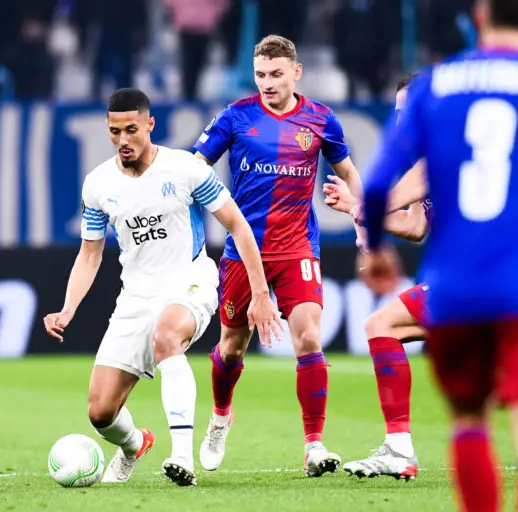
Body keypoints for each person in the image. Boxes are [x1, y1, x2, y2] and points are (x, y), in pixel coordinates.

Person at [362, 0, 518, 510]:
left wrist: (375, 247)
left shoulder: (437, 85)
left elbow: (376, 185)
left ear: (479, 19)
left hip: (456, 289)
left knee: (469, 422)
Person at [42, 88, 281, 487]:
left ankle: (181, 456)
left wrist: (259, 293)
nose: (123, 140)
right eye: (114, 131)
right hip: (136, 295)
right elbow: (90, 254)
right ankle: (135, 444)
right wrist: (68, 309)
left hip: (190, 280)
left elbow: (239, 227)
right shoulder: (98, 184)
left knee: (167, 335)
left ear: (150, 124)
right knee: (100, 412)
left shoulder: (185, 169)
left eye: (131, 130)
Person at [193, 34, 362, 476]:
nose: (267, 83)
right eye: (260, 75)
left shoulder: (321, 120)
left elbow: (348, 171)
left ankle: (314, 446)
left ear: (296, 72)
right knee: (232, 348)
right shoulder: (236, 116)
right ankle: (220, 417)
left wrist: (361, 219)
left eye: (276, 74)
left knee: (308, 338)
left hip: (297, 247)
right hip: (242, 250)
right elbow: (194, 168)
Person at [325, 74, 429, 481]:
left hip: (482, 273)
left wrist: (364, 206)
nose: (403, 120)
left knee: (380, 325)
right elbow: (416, 225)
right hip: (493, 276)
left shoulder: (444, 147)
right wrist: (357, 207)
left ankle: (399, 449)